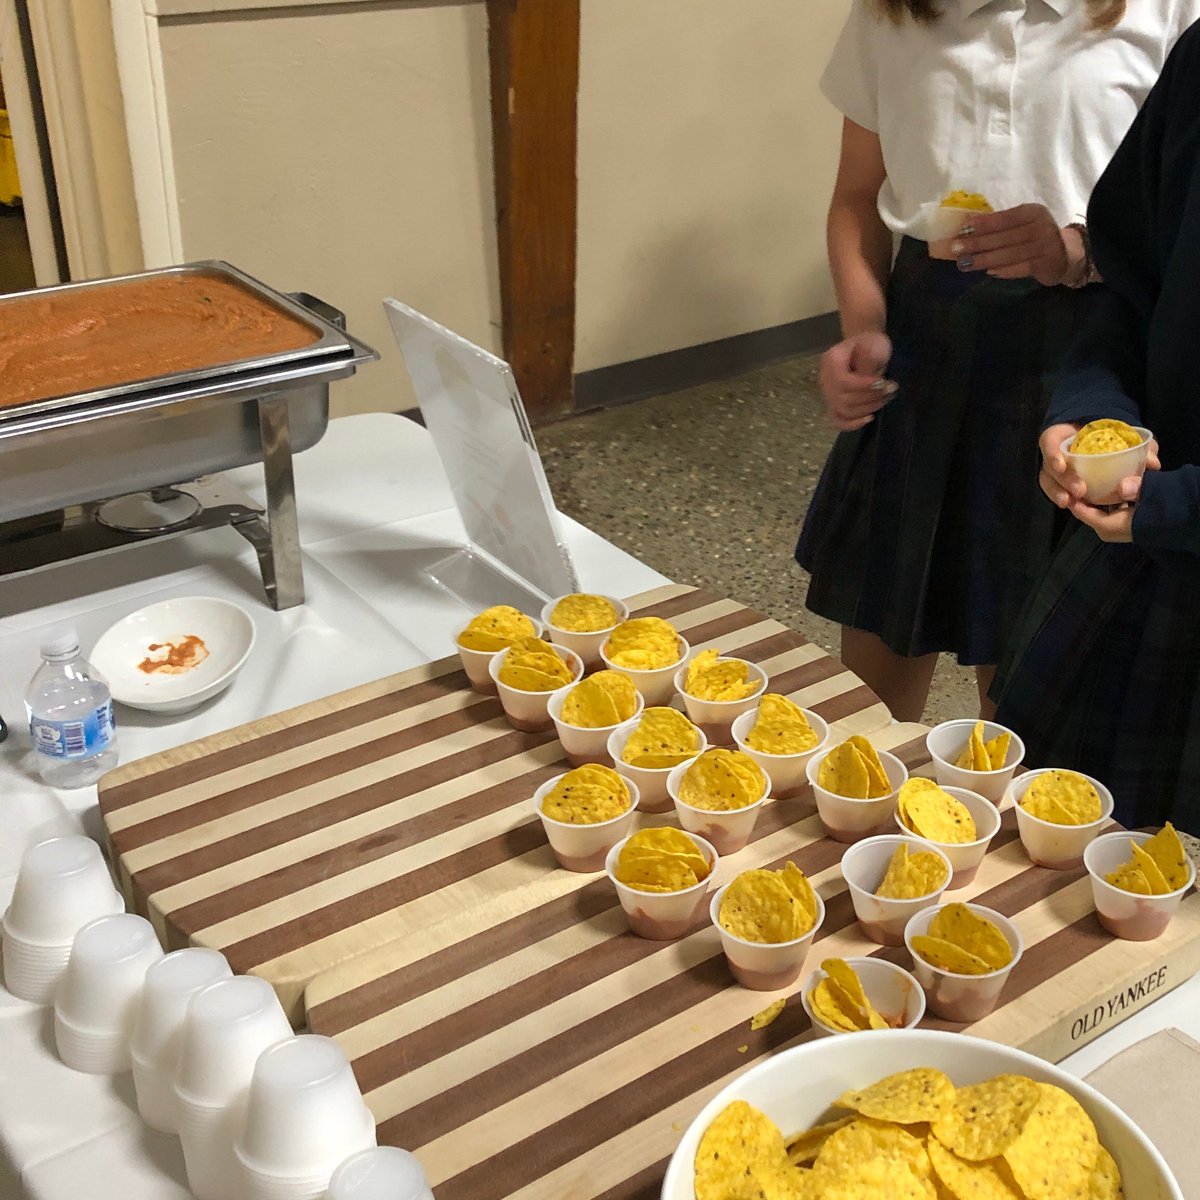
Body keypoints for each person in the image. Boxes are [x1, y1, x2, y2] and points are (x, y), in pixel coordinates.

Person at [795, 0, 1200, 723]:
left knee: (1027, 668)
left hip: (1085, 357)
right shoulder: (891, 13)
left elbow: (1166, 233)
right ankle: (861, 824)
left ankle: (1002, 823)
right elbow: (856, 196)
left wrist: (1076, 251)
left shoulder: (1165, 10)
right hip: (926, 337)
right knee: (879, 652)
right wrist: (864, 328)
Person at [991, 22, 1200, 834]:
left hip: (1165, 519)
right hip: (1140, 566)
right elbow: (1126, 285)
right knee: (1069, 860)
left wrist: (1178, 507)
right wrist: (1091, 409)